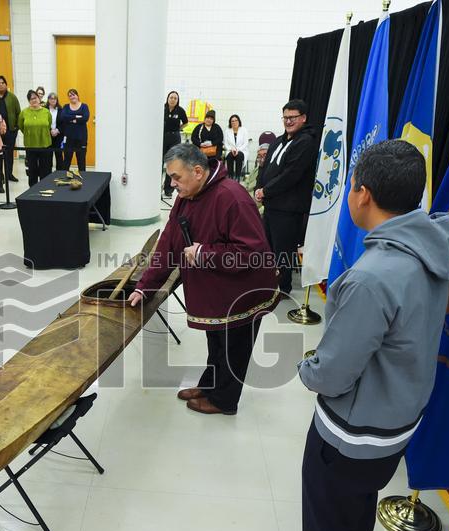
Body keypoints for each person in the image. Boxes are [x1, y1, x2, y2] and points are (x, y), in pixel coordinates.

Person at [254, 140, 449, 531]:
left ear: (362, 193)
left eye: (350, 185)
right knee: (360, 500)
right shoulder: (434, 246)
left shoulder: (373, 276)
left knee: (327, 511)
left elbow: (332, 373)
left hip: (354, 429)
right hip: (396, 420)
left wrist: (306, 368)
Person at [129, 143, 278, 415]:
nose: (172, 184)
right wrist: (144, 286)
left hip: (241, 292)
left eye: (176, 177)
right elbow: (168, 243)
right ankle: (210, 385)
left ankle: (224, 400)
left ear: (198, 171)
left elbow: (253, 253)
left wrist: (204, 253)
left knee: (233, 347)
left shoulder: (232, 197)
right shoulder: (187, 195)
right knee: (216, 341)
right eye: (170, 177)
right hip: (216, 290)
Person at [255, 99, 317, 294]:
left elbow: (291, 174)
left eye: (293, 117)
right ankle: (268, 282)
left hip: (289, 207)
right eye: (285, 117)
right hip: (272, 205)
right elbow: (264, 167)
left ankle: (283, 288)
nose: (288, 121)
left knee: (284, 251)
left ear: (303, 118)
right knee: (268, 247)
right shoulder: (278, 141)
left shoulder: (305, 142)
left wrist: (266, 190)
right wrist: (259, 187)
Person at [0, 75, 21, 182]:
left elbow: (18, 113)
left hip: (10, 131)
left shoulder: (12, 97)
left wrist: (16, 128)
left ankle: (9, 174)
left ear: (6, 84)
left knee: (9, 154)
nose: (1, 85)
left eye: (3, 83)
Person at [17, 90, 53, 188]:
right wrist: (30, 133)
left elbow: (48, 124)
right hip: (30, 145)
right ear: (29, 101)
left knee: (44, 170)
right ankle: (32, 189)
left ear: (39, 98)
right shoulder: (24, 112)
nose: (34, 100)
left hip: (45, 144)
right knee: (32, 170)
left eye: (35, 98)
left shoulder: (46, 112)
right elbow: (21, 126)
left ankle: (44, 188)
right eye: (31, 99)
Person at [162, 90, 188, 197]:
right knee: (159, 162)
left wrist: (178, 129)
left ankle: (168, 189)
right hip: (162, 137)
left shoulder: (180, 110)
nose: (173, 99)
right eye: (171, 97)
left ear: (177, 100)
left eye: (175, 98)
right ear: (167, 98)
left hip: (174, 138)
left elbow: (186, 122)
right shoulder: (162, 108)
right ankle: (156, 186)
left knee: (171, 163)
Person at [242, 133, 275, 214]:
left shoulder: (273, 172)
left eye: (265, 155)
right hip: (249, 198)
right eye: (259, 156)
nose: (262, 159)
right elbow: (247, 182)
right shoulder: (257, 169)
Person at [58, 88, 90, 172]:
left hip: (81, 138)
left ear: (77, 95)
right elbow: (63, 117)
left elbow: (85, 118)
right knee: (67, 161)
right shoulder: (66, 106)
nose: (72, 97)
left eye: (73, 94)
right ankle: (64, 179)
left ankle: (82, 180)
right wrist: (77, 117)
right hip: (69, 138)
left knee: (81, 161)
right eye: (70, 95)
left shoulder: (84, 106)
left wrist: (70, 119)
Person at [223, 114, 249, 181]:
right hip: (230, 150)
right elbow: (225, 143)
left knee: (239, 156)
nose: (234, 122)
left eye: (236, 120)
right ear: (230, 122)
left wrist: (238, 150)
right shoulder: (227, 130)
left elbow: (246, 143)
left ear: (239, 121)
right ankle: (230, 176)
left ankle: (238, 176)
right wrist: (231, 149)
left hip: (241, 150)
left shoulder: (244, 130)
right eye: (232, 121)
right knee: (230, 156)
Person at [46, 92, 63, 169]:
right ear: (48, 100)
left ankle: (59, 174)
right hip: (47, 135)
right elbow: (44, 123)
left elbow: (63, 123)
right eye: (51, 98)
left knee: (59, 156)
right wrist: (50, 130)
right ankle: (48, 174)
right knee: (48, 156)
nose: (53, 100)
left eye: (54, 98)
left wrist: (57, 130)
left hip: (58, 135)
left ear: (57, 100)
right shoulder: (44, 109)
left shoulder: (60, 109)